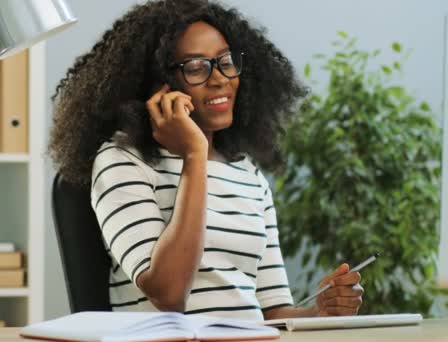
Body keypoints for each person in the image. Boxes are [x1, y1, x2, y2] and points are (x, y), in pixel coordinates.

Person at [49, 0, 364, 320]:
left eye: (226, 61)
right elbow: (169, 294)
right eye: (196, 67)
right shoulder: (123, 161)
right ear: (158, 83)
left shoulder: (247, 174)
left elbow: (271, 313)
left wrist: (321, 313)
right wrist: (195, 155)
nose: (220, 79)